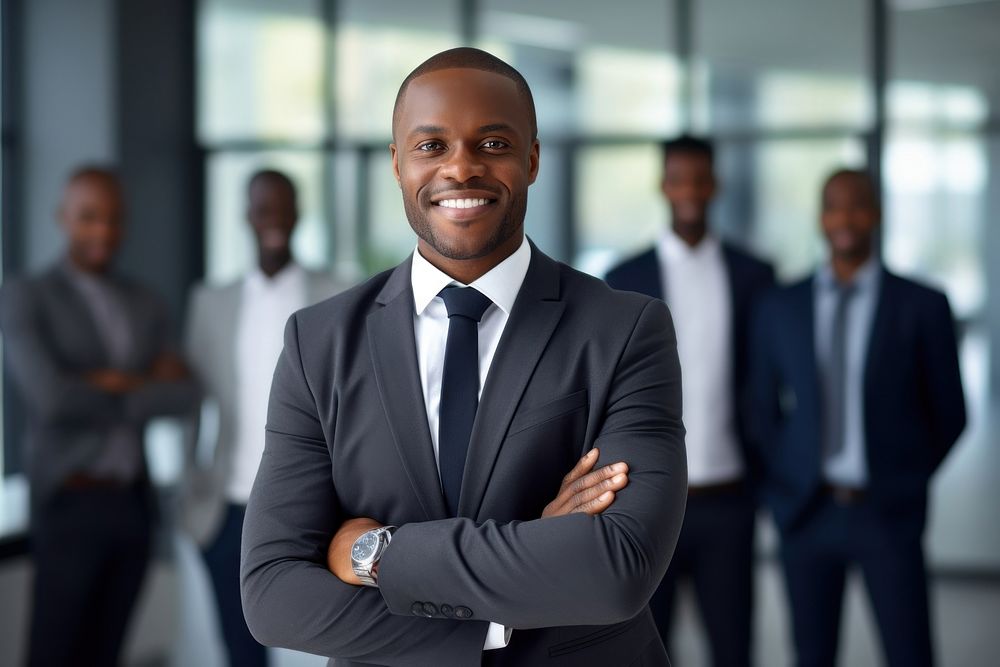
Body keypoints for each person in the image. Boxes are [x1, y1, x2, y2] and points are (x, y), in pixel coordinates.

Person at [240, 47, 687, 666]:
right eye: (431, 146)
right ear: (397, 164)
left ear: (532, 159)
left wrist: (377, 553)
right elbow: (273, 595)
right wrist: (508, 593)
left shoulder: (626, 330)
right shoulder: (318, 344)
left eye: (494, 144)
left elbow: (616, 567)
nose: (462, 169)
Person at [747, 169, 966, 667]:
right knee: (812, 655)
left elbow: (950, 413)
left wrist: (906, 477)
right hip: (805, 513)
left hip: (887, 514)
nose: (846, 218)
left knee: (910, 653)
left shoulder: (923, 305)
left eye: (858, 206)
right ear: (822, 218)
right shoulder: (780, 306)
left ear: (877, 213)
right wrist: (780, 488)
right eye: (835, 207)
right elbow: (759, 408)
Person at [0, 166, 200, 666]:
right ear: (62, 217)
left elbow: (186, 392)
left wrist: (109, 382)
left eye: (113, 220)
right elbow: (52, 399)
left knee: (108, 654)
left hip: (132, 505)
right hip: (70, 500)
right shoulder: (29, 296)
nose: (103, 232)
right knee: (54, 653)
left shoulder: (144, 301)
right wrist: (143, 382)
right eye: (89, 218)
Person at [606, 135, 773, 666]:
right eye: (679, 178)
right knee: (645, 649)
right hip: (648, 502)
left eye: (700, 178)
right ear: (664, 185)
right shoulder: (624, 279)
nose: (691, 190)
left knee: (734, 646)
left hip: (730, 497)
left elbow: (767, 384)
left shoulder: (755, 276)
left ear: (715, 185)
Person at [180, 169, 342, 666]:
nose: (273, 219)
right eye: (262, 208)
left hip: (317, 508)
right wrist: (194, 488)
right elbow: (193, 403)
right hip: (229, 510)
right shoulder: (211, 303)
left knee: (325, 647)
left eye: (283, 207)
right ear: (247, 217)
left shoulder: (339, 293)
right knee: (239, 652)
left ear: (297, 215)